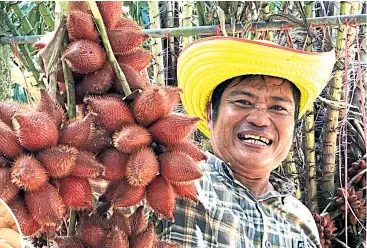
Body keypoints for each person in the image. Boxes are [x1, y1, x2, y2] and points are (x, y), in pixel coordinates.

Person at [156, 37, 336, 248]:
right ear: (210, 114)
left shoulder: (301, 221)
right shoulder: (174, 181)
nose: (259, 119)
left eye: (278, 108)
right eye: (243, 102)